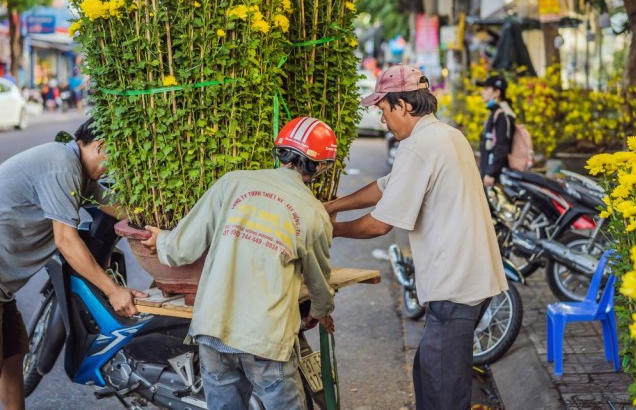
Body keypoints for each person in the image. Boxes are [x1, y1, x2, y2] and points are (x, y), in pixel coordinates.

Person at [324, 64, 507, 410]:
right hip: (469, 281)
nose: (382, 121)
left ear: (403, 106)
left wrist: (331, 228)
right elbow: (384, 187)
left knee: (443, 396)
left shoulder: (419, 146)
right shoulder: (444, 136)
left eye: (383, 110)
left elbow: (380, 224)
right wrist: (332, 204)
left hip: (455, 286)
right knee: (428, 374)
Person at [142, 116, 337, 410]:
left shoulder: (232, 183)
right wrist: (321, 311)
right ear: (321, 166)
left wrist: (160, 240)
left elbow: (179, 249)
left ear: (279, 151)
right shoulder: (313, 213)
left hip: (213, 331)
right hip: (265, 342)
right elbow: (318, 279)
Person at [0, 118, 145, 410]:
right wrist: (113, 289)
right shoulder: (62, 164)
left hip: (3, 287)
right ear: (101, 146)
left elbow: (116, 207)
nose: (113, 169)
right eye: (114, 159)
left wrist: (159, 224)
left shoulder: (79, 174)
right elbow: (66, 241)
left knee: (12, 357)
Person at [477, 75, 516, 187]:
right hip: (491, 175)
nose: (482, 92)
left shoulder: (501, 115)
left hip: (495, 178)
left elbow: (501, 146)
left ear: (496, 93)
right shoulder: (495, 113)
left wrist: (491, 173)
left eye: (486, 89)